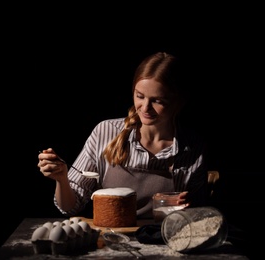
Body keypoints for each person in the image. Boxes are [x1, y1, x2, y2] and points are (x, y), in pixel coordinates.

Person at [37, 52, 209, 219]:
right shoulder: (106, 132)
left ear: (179, 101)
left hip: (163, 240)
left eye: (158, 101)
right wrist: (61, 179)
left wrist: (190, 206)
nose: (145, 107)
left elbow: (200, 214)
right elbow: (69, 207)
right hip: (111, 240)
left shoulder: (192, 146)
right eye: (139, 96)